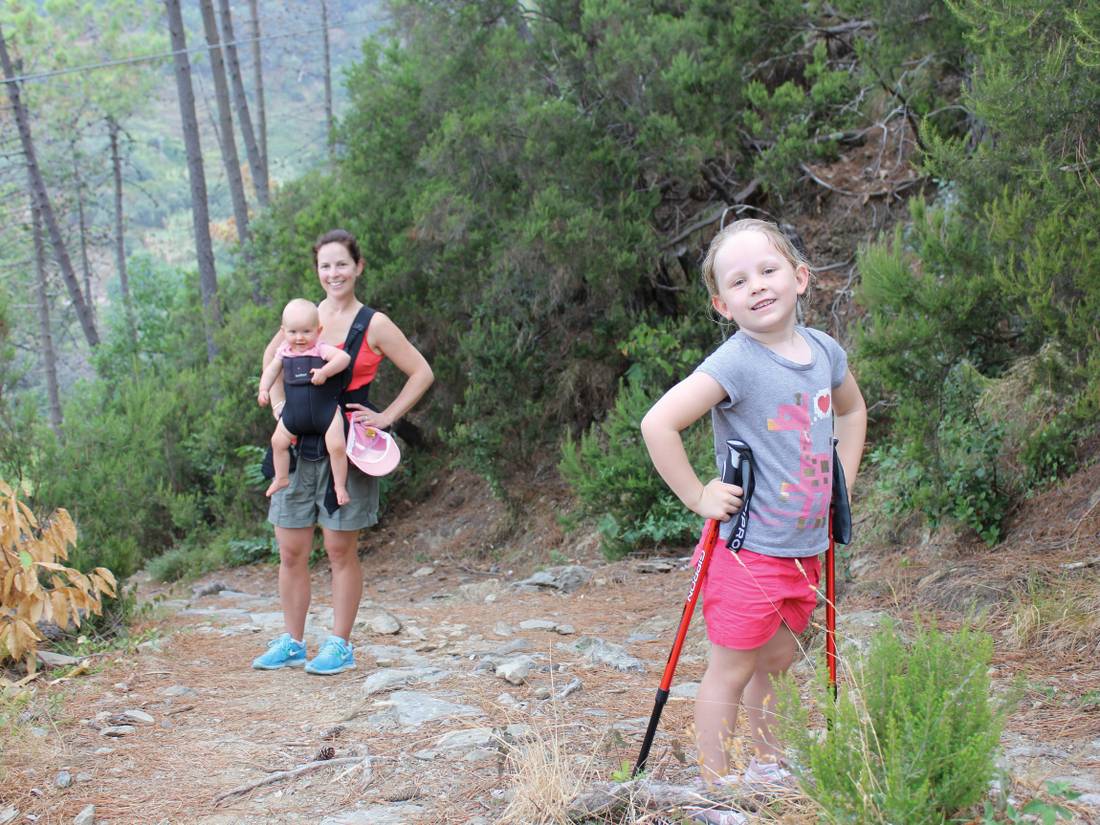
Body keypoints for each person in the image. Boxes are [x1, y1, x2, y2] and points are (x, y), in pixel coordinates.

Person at [640, 219, 866, 788]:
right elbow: (658, 423)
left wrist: (846, 480)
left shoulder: (824, 351)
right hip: (747, 551)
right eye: (739, 281)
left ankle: (768, 762)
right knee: (732, 668)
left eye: (769, 271)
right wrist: (697, 494)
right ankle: (714, 788)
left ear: (801, 277)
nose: (758, 286)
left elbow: (853, 411)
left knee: (780, 662)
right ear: (722, 304)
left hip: (805, 548)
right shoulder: (735, 362)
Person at [252, 229, 434, 675]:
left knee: (338, 550)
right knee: (291, 550)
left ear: (359, 267)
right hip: (297, 446)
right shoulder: (301, 317)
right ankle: (293, 642)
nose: (333, 273)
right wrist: (279, 408)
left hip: (346, 447)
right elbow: (270, 362)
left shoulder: (374, 324)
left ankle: (339, 644)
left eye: (341, 264)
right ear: (317, 271)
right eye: (325, 266)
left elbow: (421, 372)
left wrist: (386, 416)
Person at [258, 298, 352, 504]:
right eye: (292, 332)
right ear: (283, 331)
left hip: (325, 413)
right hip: (294, 414)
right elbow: (271, 370)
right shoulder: (283, 352)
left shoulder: (321, 349)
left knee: (336, 446)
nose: (299, 338)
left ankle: (339, 486)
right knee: (277, 442)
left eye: (306, 332)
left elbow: (344, 359)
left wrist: (325, 372)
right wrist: (264, 389)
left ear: (318, 330)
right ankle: (282, 478)